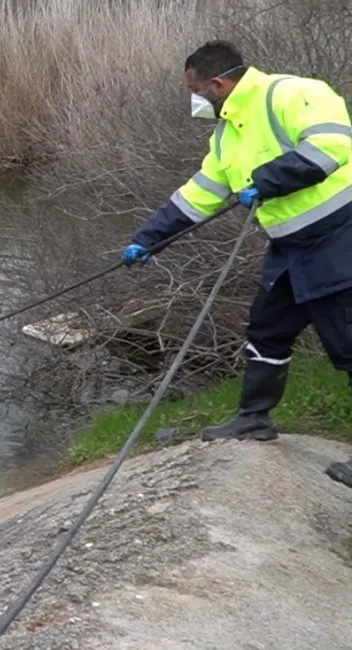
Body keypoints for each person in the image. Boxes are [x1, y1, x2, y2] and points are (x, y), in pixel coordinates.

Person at [120, 40, 352, 489]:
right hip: (291, 249)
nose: (196, 99)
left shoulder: (291, 93)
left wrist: (269, 180)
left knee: (348, 346)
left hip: (340, 241)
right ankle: (253, 419)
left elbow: (334, 144)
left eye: (197, 90)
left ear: (219, 83)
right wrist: (148, 240)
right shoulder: (227, 133)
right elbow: (201, 192)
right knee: (267, 330)